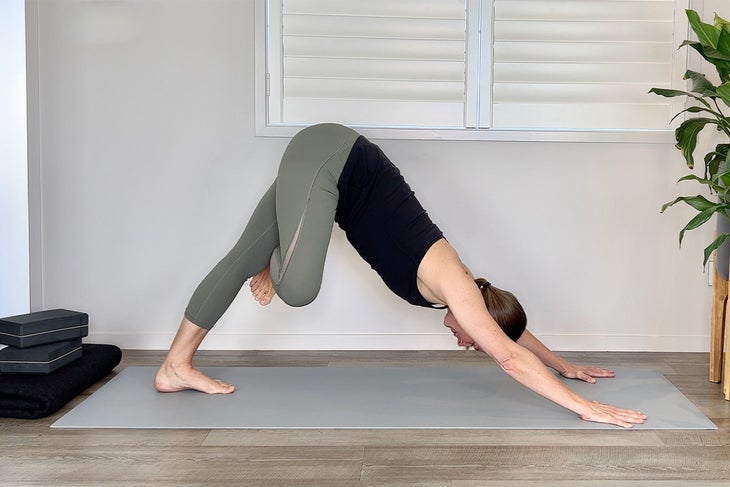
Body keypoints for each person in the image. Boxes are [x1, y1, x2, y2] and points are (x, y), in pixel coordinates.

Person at [154, 123, 646, 428]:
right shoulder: (455, 284)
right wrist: (583, 406)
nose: (468, 342)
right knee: (297, 289)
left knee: (242, 256)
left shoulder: (469, 293)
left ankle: (175, 366)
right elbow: (509, 356)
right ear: (477, 315)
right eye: (474, 339)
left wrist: (563, 364)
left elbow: (509, 335)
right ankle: (274, 254)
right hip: (332, 157)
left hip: (330, 181)